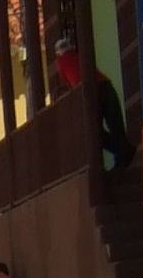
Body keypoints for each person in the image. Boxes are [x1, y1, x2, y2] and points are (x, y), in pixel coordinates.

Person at [54, 28, 131, 171]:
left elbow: (70, 84)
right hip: (105, 85)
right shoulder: (78, 55)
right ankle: (123, 154)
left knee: (94, 131)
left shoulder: (60, 62)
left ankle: (123, 153)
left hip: (91, 92)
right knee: (116, 125)